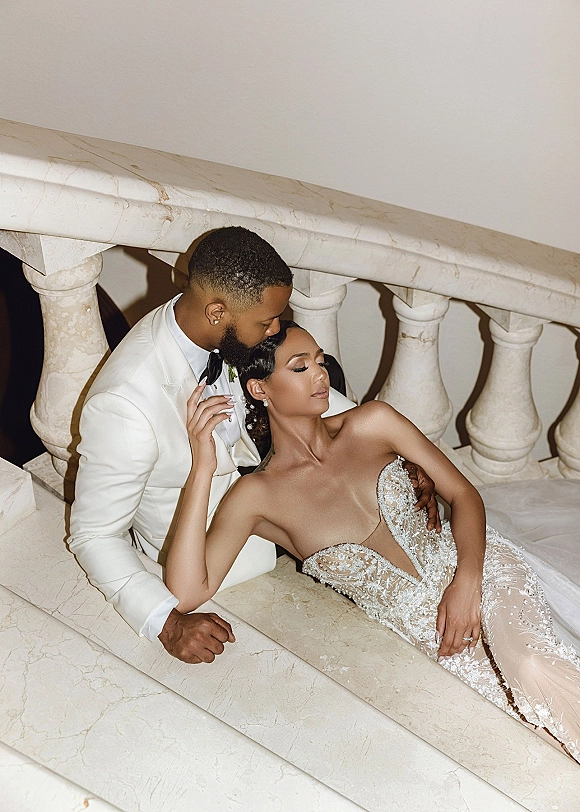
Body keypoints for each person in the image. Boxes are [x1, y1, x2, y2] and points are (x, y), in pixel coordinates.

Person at [166, 321, 580, 762]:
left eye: (320, 362)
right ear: (260, 388)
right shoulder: (258, 496)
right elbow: (188, 591)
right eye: (300, 367)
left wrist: (467, 580)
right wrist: (202, 467)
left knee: (533, 667)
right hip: (430, 635)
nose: (321, 375)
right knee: (535, 737)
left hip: (477, 569)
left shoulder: (373, 423)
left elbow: (464, 495)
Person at [69, 227, 438, 665]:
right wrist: (165, 622)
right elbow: (93, 534)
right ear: (216, 312)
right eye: (266, 322)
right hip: (218, 568)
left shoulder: (226, 328)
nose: (276, 329)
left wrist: (390, 457)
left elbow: (293, 390)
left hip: (301, 520)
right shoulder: (125, 404)